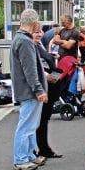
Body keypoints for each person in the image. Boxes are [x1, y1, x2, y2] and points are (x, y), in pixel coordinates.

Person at [11, 9, 49, 170]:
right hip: (29, 91)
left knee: (31, 126)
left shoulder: (19, 39)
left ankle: (29, 155)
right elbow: (30, 70)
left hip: (27, 90)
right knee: (26, 126)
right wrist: (39, 90)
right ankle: (20, 159)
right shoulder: (25, 42)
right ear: (34, 24)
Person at [33, 27, 62, 159]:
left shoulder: (39, 45)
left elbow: (42, 62)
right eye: (36, 32)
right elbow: (32, 67)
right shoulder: (31, 46)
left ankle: (44, 148)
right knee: (40, 120)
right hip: (41, 87)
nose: (39, 34)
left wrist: (52, 57)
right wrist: (46, 76)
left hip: (48, 85)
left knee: (44, 119)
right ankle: (39, 149)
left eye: (40, 31)